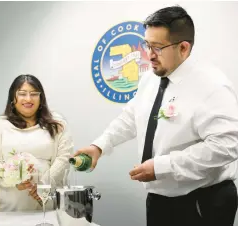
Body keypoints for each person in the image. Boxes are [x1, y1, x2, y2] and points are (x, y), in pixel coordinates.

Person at [74, 6, 238, 226]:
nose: (149, 55)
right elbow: (131, 117)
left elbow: (228, 144)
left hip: (201, 202)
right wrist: (99, 146)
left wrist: (163, 166)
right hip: (160, 200)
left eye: (158, 47)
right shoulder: (150, 79)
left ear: (183, 48)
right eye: (147, 45)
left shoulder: (211, 86)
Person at [0, 74, 73, 212]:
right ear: (13, 97)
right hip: (10, 203)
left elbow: (65, 157)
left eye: (34, 94)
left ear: (41, 98)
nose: (28, 99)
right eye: (22, 94)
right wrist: (9, 178)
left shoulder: (57, 124)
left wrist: (44, 184)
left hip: (46, 199)